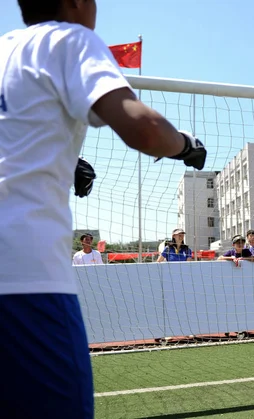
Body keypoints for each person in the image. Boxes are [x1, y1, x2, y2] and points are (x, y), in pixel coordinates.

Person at [0, 2, 206, 416]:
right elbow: (145, 130)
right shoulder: (69, 39)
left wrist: (61, 160)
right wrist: (185, 143)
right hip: (25, 279)